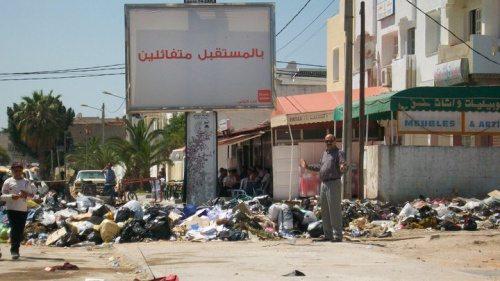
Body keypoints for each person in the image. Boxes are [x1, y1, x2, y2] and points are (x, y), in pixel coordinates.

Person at [303, 134, 346, 242]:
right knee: (325, 210)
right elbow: (320, 167)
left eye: (330, 140)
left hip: (333, 183)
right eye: (326, 141)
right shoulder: (325, 154)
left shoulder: (339, 153)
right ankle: (328, 235)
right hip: (324, 184)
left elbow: (343, 164)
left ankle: (337, 236)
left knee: (334, 210)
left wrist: (343, 167)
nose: (328, 143)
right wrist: (307, 166)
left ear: (335, 141)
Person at [0, 162, 35, 259]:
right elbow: (2, 196)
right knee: (15, 229)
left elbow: (32, 195)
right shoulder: (8, 182)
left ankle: (16, 248)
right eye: (15, 171)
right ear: (12, 171)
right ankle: (14, 251)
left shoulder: (26, 182)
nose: (17, 172)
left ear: (22, 171)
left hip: (23, 209)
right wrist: (11, 196)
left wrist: (26, 195)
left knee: (20, 230)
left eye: (19, 171)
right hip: (11, 209)